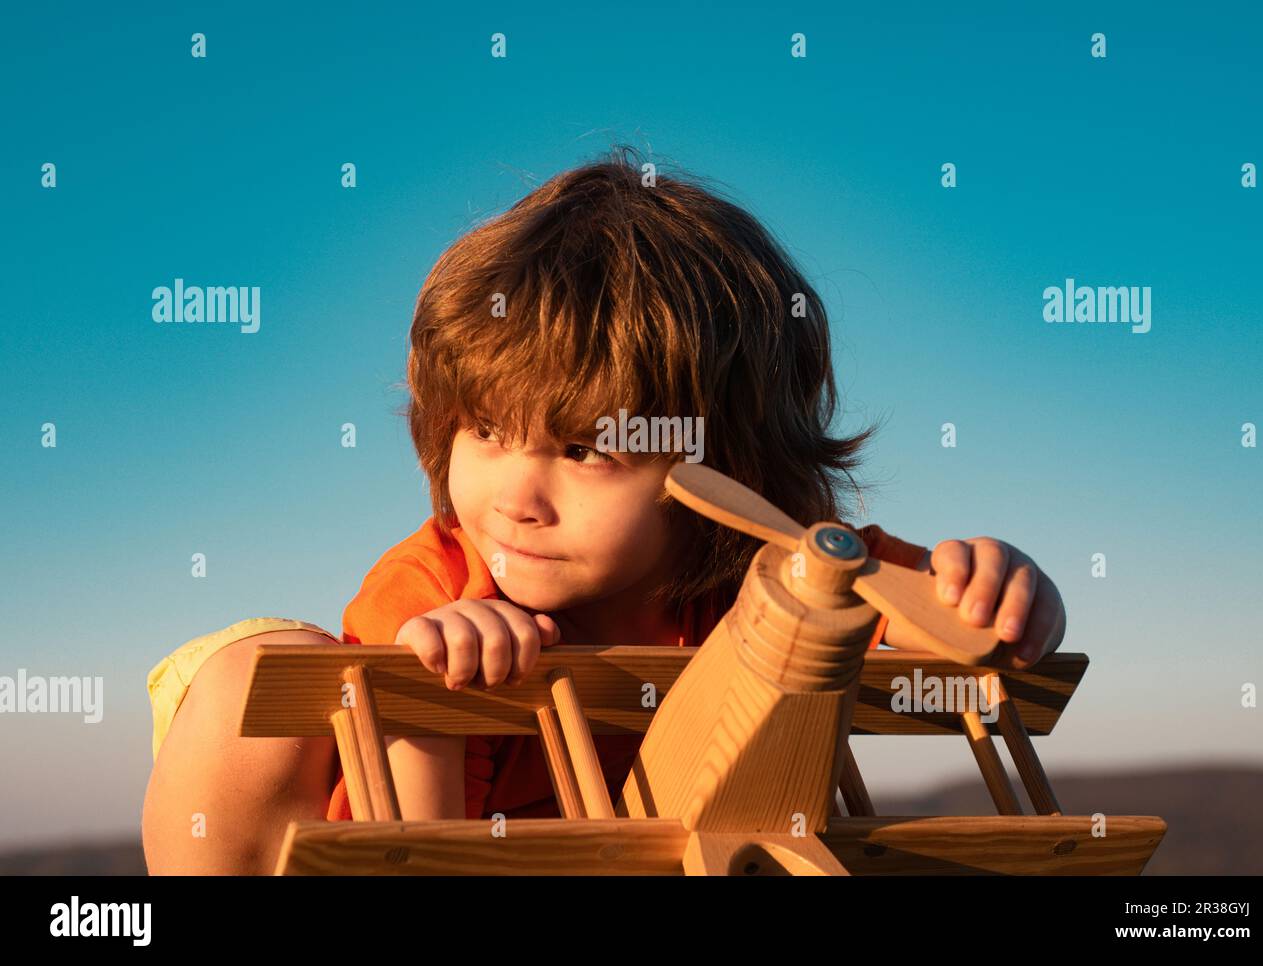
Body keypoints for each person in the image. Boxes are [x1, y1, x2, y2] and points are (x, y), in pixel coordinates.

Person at [141, 146, 1064, 874]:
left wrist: (1006, 596)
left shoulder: (774, 567)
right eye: (486, 432)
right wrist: (439, 681)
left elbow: (938, 618)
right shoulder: (436, 584)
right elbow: (415, 843)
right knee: (254, 673)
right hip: (390, 847)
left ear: (728, 470)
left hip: (634, 850)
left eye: (585, 451)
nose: (515, 499)